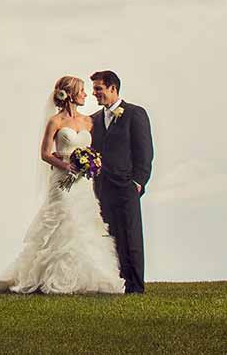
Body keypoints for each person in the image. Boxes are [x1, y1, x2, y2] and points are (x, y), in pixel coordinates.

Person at [0, 75, 125, 295]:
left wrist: (90, 163)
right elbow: (44, 153)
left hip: (83, 184)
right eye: (81, 91)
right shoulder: (56, 122)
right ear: (70, 94)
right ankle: (53, 277)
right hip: (61, 181)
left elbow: (97, 148)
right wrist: (65, 164)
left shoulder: (89, 121)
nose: (86, 94)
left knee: (86, 225)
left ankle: (89, 278)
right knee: (62, 222)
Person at [87, 69, 153, 293]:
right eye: (94, 89)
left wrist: (138, 183)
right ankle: (115, 284)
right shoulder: (94, 120)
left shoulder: (135, 114)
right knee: (108, 236)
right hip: (101, 188)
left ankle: (135, 286)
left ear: (113, 88)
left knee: (130, 237)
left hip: (126, 187)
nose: (94, 93)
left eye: (98, 88)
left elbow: (144, 152)